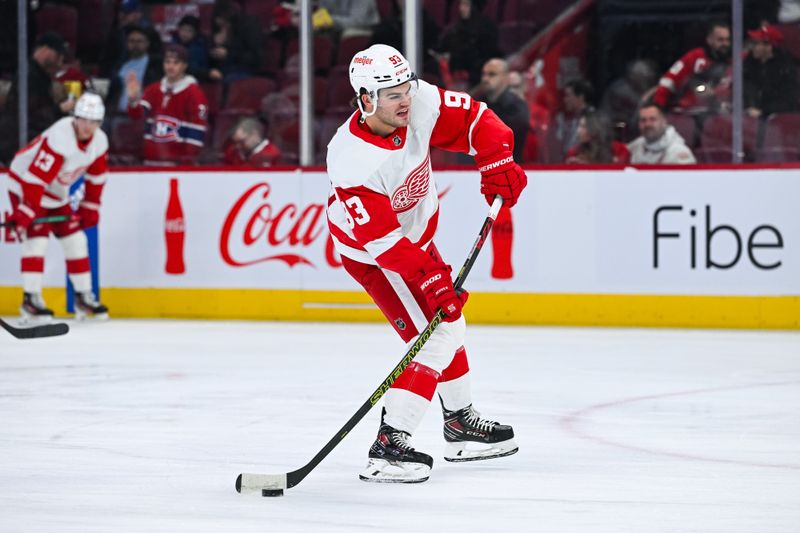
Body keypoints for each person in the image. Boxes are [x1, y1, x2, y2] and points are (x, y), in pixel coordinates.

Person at [326, 44, 525, 483]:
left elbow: (479, 119)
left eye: (406, 88)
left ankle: (459, 423)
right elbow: (383, 243)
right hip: (377, 258)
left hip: (413, 241)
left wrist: (497, 160)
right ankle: (388, 446)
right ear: (365, 99)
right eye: (392, 94)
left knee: (449, 326)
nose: (405, 100)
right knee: (436, 337)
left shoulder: (418, 101)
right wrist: (433, 279)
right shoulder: (351, 160)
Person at [5, 93, 110, 321]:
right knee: (37, 239)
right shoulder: (61, 136)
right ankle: (30, 299)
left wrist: (90, 206)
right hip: (25, 184)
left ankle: (83, 297)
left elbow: (97, 177)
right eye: (83, 119)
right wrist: (26, 210)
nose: (87, 126)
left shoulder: (100, 141)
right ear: (75, 117)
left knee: (76, 241)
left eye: (93, 122)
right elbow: (34, 180)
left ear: (100, 123)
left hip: (54, 192)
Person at [126, 44, 209, 165]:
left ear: (184, 66)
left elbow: (197, 132)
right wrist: (133, 100)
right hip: (150, 162)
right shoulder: (153, 90)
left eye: (176, 63)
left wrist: (187, 163)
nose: (170, 66)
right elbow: (137, 115)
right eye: (167, 62)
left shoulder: (195, 94)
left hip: (176, 165)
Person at [0, 33, 72, 163]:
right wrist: (60, 109)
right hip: (19, 147)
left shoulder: (38, 75)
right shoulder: (30, 76)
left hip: (26, 144)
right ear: (45, 50)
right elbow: (35, 115)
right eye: (58, 56)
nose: (60, 62)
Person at [652, 20, 732, 113]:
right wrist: (657, 108)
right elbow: (669, 81)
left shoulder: (735, 61)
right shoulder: (694, 57)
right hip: (689, 113)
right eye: (720, 40)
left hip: (720, 114)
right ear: (709, 40)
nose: (725, 44)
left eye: (727, 40)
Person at [434, 0, 499, 87]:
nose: (461, 8)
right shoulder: (456, 28)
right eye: (461, 4)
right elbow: (441, 47)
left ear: (474, 7)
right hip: (456, 75)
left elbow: (487, 57)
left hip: (477, 79)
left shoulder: (487, 28)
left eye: (466, 5)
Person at [743, 24, 799, 118]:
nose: (752, 47)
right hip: (749, 117)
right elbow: (743, 88)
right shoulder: (748, 64)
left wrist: (763, 111)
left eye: (756, 43)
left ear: (769, 46)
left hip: (776, 120)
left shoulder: (785, 69)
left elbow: (789, 100)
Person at [107, 25, 164, 113]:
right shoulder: (120, 65)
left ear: (147, 43)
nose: (135, 45)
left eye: (139, 41)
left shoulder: (155, 65)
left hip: (143, 115)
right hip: (119, 114)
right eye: (132, 41)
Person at [627, 103, 696, 164]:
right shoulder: (635, 146)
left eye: (652, 119)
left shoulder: (679, 152)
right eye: (643, 120)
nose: (647, 124)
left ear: (664, 121)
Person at [565, 110, 630, 164]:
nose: (578, 131)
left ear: (594, 129)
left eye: (583, 126)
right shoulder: (573, 153)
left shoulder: (619, 150)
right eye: (579, 126)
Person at [555, 78, 594, 158]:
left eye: (568, 96)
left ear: (580, 97)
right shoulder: (566, 118)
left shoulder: (593, 118)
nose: (565, 100)